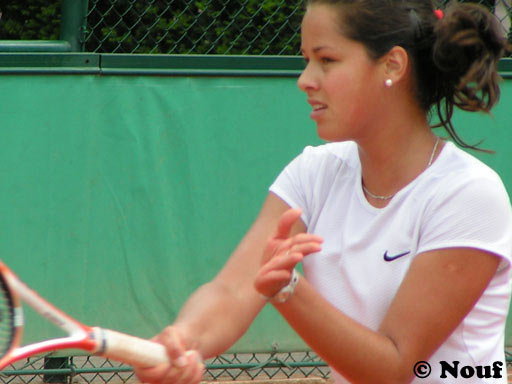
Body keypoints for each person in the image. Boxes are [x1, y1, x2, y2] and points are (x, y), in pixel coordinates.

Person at [135, 0, 512, 383]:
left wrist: (289, 290)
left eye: (326, 60)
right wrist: (183, 340)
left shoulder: (468, 195)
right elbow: (232, 290)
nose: (305, 79)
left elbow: (394, 366)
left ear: (392, 65)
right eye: (305, 60)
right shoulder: (313, 173)